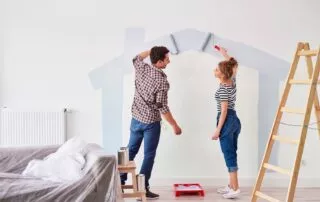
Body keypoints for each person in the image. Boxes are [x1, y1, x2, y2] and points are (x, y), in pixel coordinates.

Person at [120, 46, 182, 199]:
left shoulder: (142, 69)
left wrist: (151, 51)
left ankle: (119, 183)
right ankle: (143, 188)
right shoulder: (161, 81)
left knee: (130, 151)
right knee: (149, 155)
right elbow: (162, 107)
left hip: (136, 119)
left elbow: (136, 58)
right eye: (167, 59)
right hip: (151, 124)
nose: (169, 61)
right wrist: (174, 125)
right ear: (160, 62)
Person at [212, 46, 241, 199]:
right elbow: (234, 65)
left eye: (217, 70)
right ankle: (231, 185)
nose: (214, 71)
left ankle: (235, 188)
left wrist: (218, 129)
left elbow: (223, 111)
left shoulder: (223, 88)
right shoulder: (232, 80)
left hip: (227, 120)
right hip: (234, 120)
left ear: (223, 74)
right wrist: (223, 53)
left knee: (229, 154)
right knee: (232, 152)